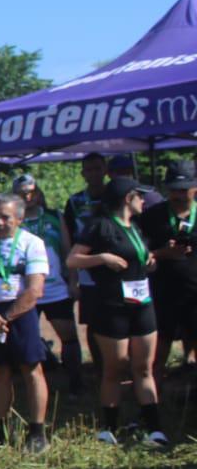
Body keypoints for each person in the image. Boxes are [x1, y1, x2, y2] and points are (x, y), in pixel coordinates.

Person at [67, 177, 167, 449]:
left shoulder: (134, 226)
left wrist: (150, 260)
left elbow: (138, 258)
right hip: (112, 307)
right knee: (115, 368)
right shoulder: (99, 226)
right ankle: (109, 428)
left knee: (143, 367)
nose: (144, 201)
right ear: (127, 197)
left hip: (142, 304)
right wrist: (102, 258)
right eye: (140, 196)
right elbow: (73, 259)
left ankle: (154, 429)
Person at [0, 193, 51, 452]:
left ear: (19, 218)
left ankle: (37, 432)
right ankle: (2, 428)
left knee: (31, 369)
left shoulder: (32, 243)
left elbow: (35, 290)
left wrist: (4, 319)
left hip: (19, 314)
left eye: (5, 216)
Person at [12, 174, 85, 393]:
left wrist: (73, 280)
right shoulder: (13, 221)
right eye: (22, 193)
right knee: (26, 339)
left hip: (55, 287)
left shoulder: (54, 216)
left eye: (32, 191)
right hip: (26, 290)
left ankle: (75, 382)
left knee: (69, 336)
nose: (28, 196)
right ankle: (32, 385)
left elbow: (66, 249)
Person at [139, 162, 197, 389]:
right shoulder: (151, 216)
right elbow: (138, 254)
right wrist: (162, 253)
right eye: (173, 189)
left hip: (194, 294)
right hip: (163, 292)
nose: (178, 195)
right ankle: (153, 399)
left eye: (183, 190)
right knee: (160, 348)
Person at [66, 152, 109, 366]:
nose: (93, 173)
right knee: (93, 322)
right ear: (83, 173)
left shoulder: (117, 196)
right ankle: (99, 366)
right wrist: (73, 279)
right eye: (89, 169)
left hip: (116, 270)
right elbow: (69, 239)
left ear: (105, 170)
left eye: (97, 168)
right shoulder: (75, 202)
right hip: (87, 272)